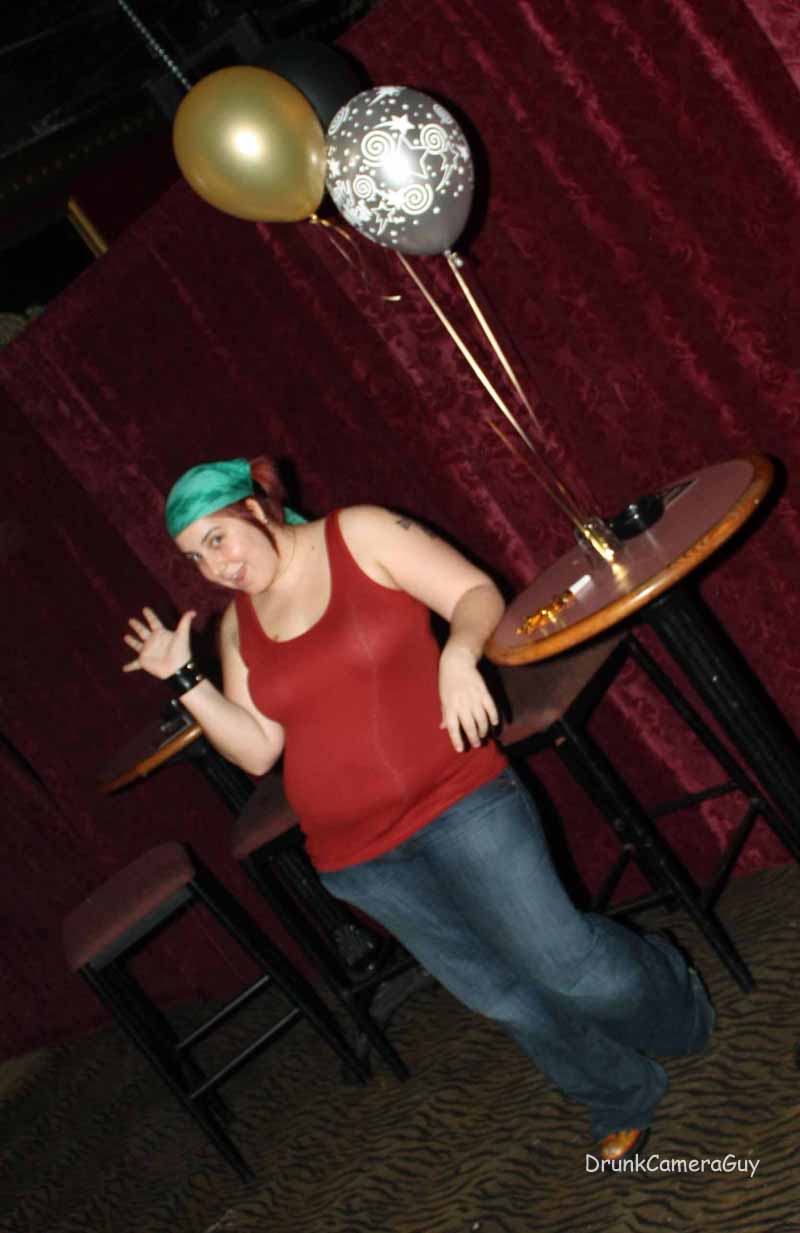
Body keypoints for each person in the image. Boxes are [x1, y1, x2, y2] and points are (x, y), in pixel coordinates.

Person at [124, 454, 714, 1163]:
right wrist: (186, 680)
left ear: (254, 508)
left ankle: (670, 988)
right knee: (502, 996)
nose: (215, 566)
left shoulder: (359, 534)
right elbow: (256, 751)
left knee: (568, 966)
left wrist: (458, 657)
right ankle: (615, 1092)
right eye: (195, 557)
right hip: (357, 857)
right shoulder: (236, 627)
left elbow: (475, 593)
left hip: (459, 796)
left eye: (217, 539)